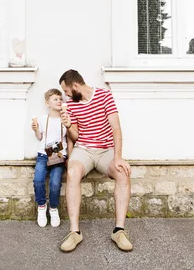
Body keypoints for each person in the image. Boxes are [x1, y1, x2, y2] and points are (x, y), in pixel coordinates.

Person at [58, 69, 133, 252]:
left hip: (106, 150)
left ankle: (119, 231)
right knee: (73, 172)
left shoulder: (104, 96)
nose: (66, 95)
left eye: (67, 91)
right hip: (83, 150)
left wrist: (117, 157)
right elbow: (75, 137)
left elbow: (116, 128)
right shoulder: (72, 105)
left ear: (75, 86)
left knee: (123, 173)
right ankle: (74, 232)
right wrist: (68, 126)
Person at [31, 88, 72, 227]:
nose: (59, 101)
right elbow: (39, 137)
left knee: (55, 184)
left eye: (60, 99)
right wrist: (36, 129)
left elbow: (70, 138)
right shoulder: (43, 119)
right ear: (47, 103)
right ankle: (41, 206)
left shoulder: (65, 118)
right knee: (38, 179)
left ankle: (53, 208)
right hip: (44, 154)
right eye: (55, 99)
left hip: (59, 156)